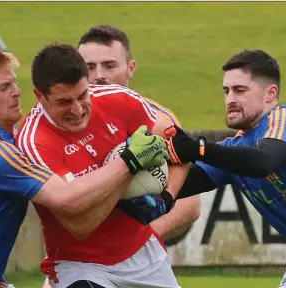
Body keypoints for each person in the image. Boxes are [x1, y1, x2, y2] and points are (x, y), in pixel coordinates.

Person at [0, 43, 168, 288]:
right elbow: (66, 199)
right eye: (3, 87)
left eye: (12, 82)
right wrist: (129, 161)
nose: (16, 92)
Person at [16, 43, 185, 288]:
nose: (77, 109)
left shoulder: (119, 99)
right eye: (63, 101)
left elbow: (182, 148)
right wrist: (129, 165)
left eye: (83, 95)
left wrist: (167, 198)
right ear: (40, 96)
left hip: (145, 256)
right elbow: (79, 225)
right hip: (81, 267)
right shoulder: (33, 142)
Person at [165, 49, 286, 288]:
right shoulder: (234, 148)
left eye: (240, 90)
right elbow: (180, 185)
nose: (230, 98)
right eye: (227, 91)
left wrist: (199, 149)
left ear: (270, 95)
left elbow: (262, 161)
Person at [77, 24, 200, 242]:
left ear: (130, 68)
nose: (99, 76)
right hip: (75, 254)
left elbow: (190, 205)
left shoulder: (159, 120)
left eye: (109, 65)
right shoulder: (65, 123)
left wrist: (139, 243)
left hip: (138, 256)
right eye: (89, 67)